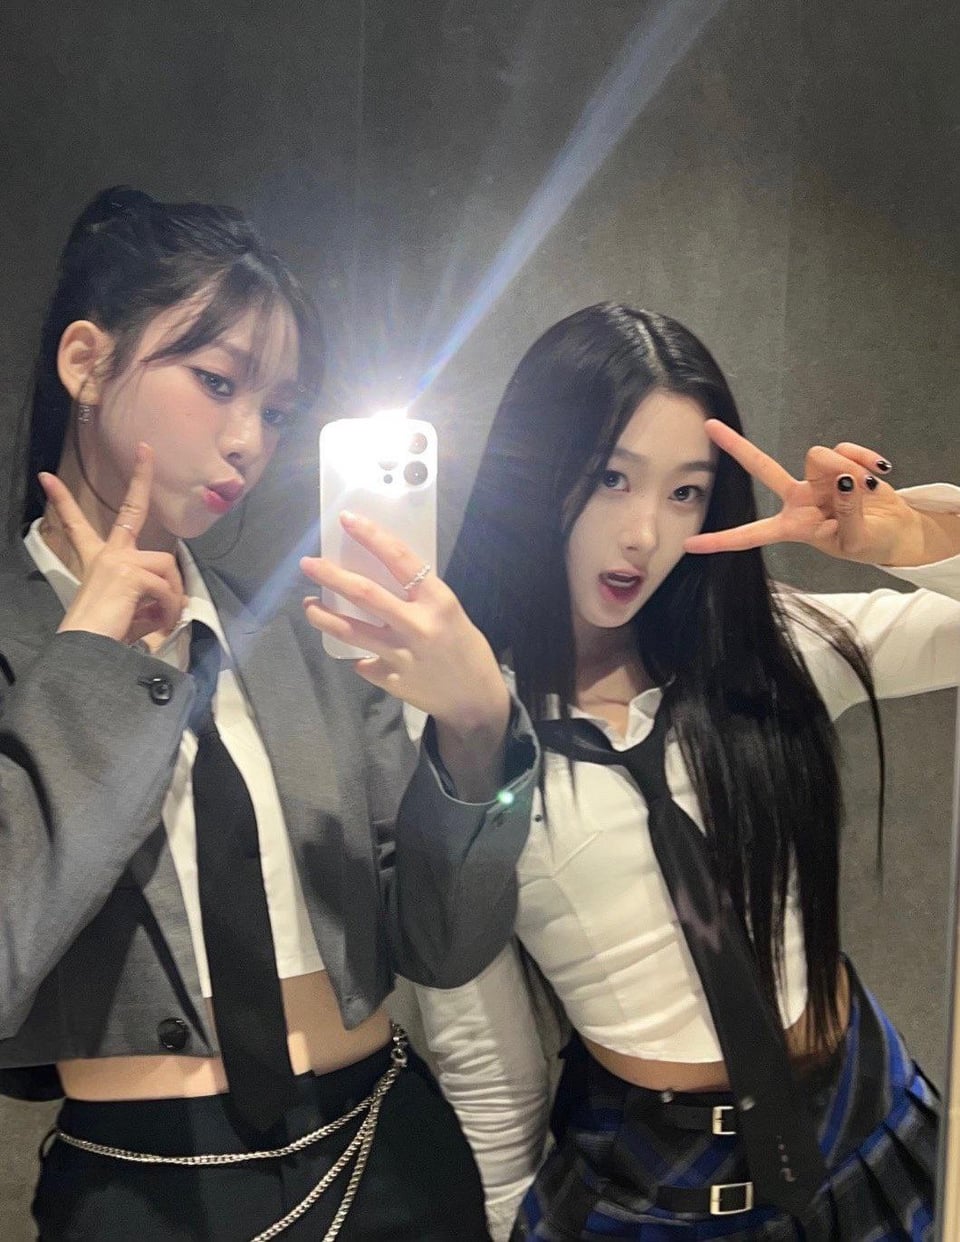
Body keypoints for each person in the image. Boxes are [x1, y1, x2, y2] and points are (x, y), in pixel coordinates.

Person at [0, 186, 539, 1241]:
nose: (250, 440)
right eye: (217, 382)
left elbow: (443, 945)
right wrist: (91, 664)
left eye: (280, 410)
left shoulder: (306, 641)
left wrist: (478, 735)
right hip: (145, 1191)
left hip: (391, 1156)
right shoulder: (19, 651)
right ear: (86, 362)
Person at [414, 303, 960, 1240]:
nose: (643, 534)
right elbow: (480, 1035)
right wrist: (506, 1217)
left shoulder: (771, 644)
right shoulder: (465, 716)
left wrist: (913, 543)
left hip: (869, 1129)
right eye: (610, 478)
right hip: (653, 1190)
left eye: (686, 492)